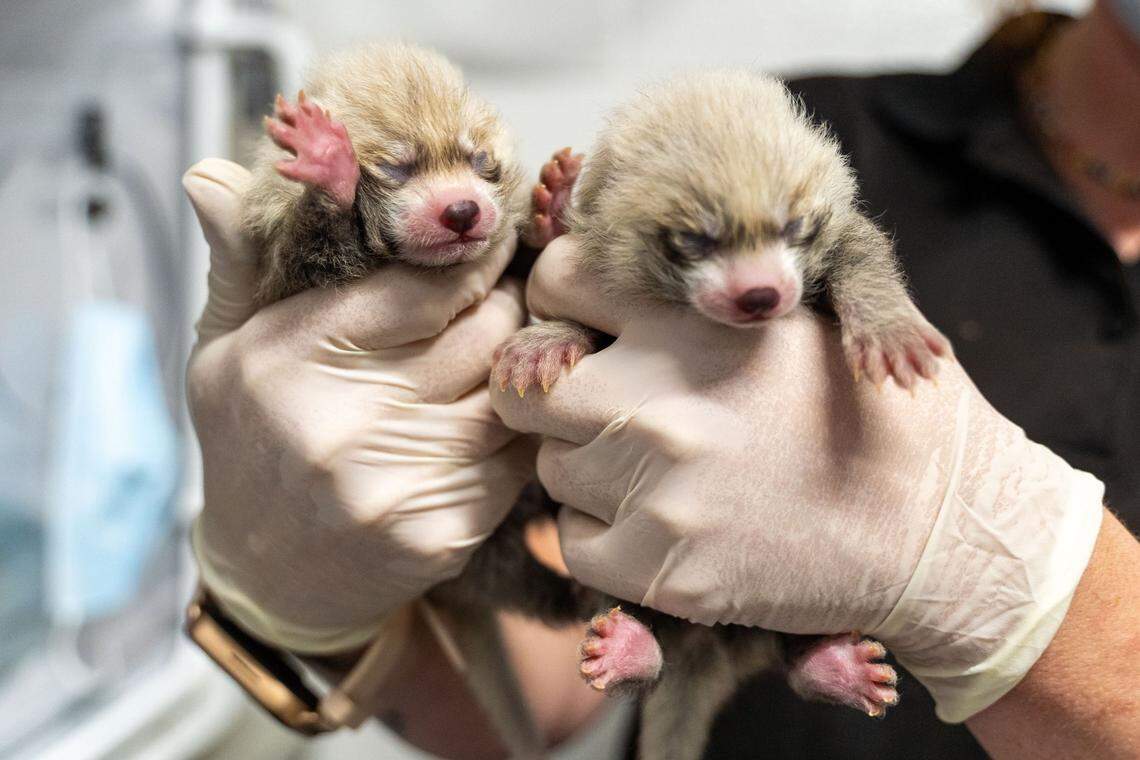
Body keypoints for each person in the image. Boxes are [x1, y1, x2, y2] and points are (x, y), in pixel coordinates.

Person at [183, 3, 1140, 759]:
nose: (764, 281)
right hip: (638, 622)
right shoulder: (799, 131)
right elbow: (555, 676)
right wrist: (298, 611)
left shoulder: (819, 207)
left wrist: (1023, 588)